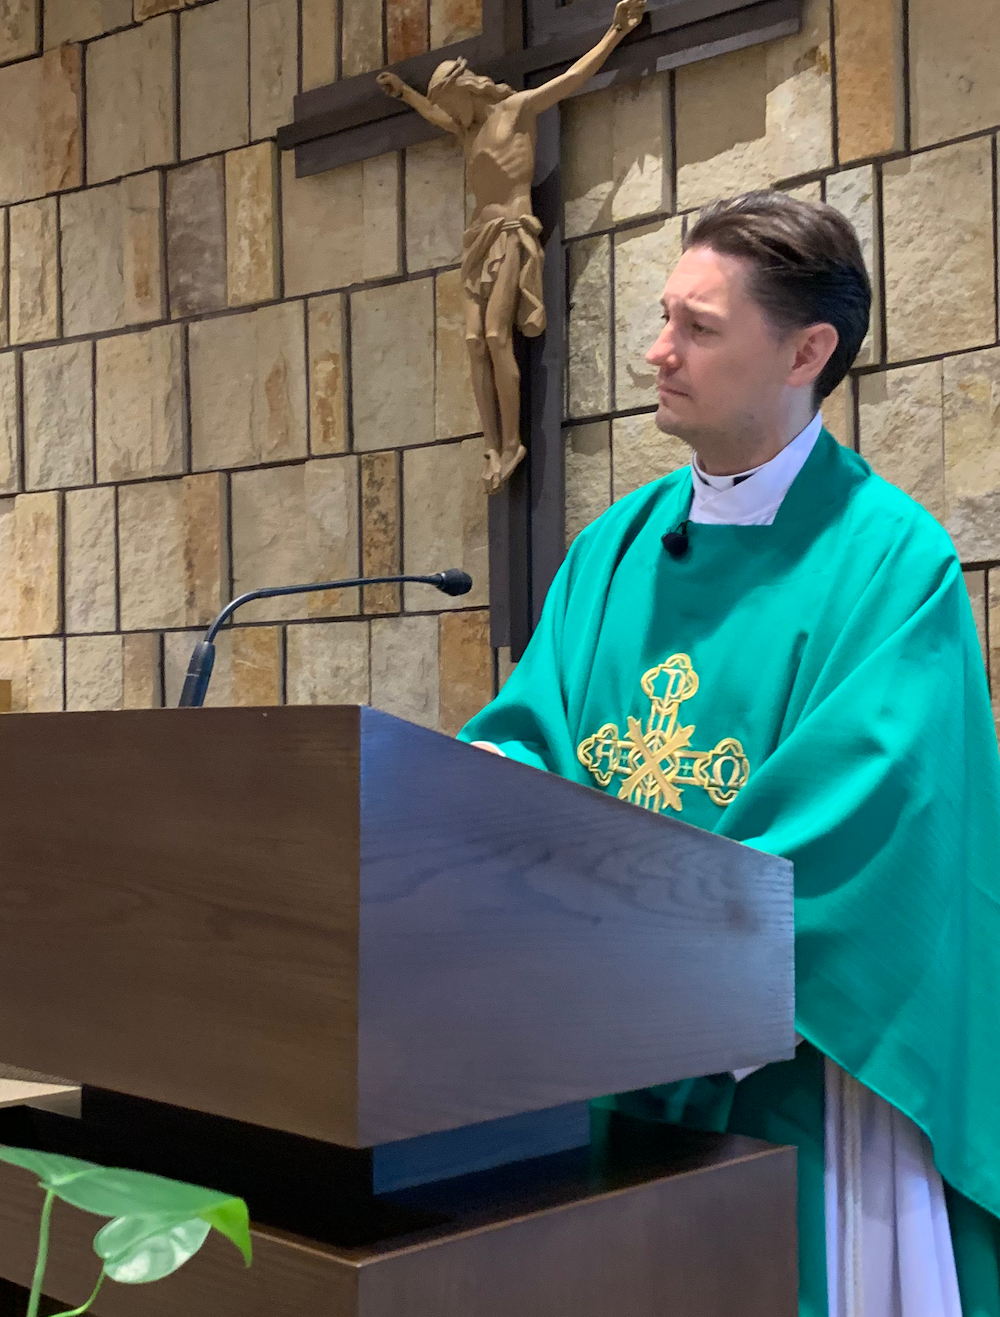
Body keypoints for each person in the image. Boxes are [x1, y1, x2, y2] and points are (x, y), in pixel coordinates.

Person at [460, 190, 1000, 1317]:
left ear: (807, 350)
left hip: (786, 1064)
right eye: (664, 318)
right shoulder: (612, 549)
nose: (656, 351)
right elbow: (517, 749)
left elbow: (868, 822)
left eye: (697, 328)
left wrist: (653, 963)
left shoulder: (892, 563)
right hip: (590, 1047)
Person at [377, 0, 645, 493]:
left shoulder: (516, 110)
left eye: (450, 101)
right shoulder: (467, 129)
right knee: (473, 341)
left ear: (465, 90)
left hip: (511, 232)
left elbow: (568, 81)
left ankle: (512, 442)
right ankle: (489, 442)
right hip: (480, 240)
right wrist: (406, 94)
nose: (450, 113)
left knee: (499, 337)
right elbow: (436, 117)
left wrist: (614, 33)